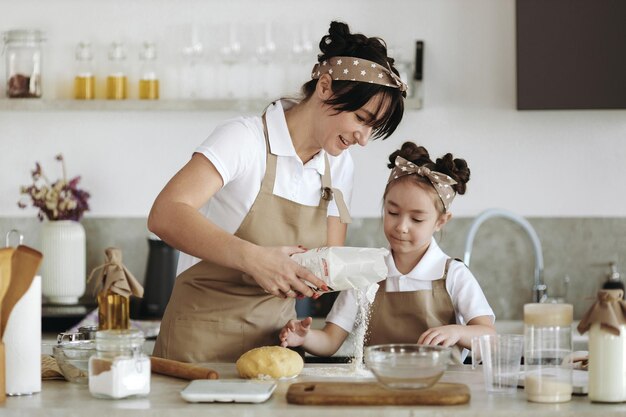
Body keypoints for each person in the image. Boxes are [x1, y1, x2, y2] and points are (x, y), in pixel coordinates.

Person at [149, 21, 407, 362]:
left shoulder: (339, 167)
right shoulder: (244, 139)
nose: (362, 139)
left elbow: (325, 263)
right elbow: (165, 213)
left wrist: (377, 266)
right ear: (326, 87)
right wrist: (254, 259)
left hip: (276, 348)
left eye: (372, 130)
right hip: (198, 344)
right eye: (361, 118)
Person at [279, 142, 496, 362]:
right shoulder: (362, 271)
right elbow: (330, 341)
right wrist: (303, 338)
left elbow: (490, 338)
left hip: (441, 390)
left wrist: (457, 332)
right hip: (378, 390)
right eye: (393, 212)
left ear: (440, 221)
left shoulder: (453, 275)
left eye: (417, 219)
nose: (401, 226)